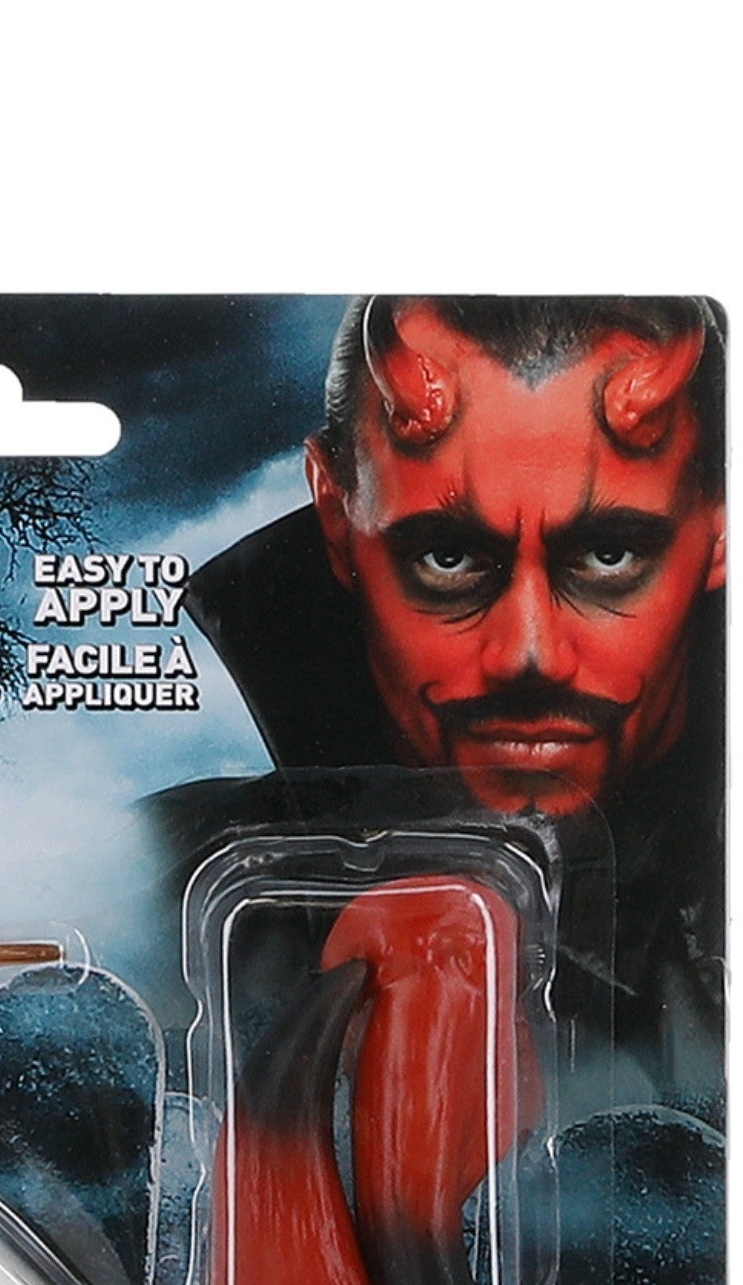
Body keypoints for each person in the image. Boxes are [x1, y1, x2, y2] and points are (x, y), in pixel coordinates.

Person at [157, 296, 726, 1121]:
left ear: (720, 527)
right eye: (449, 557)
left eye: (609, 554)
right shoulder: (167, 907)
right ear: (334, 511)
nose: (529, 653)